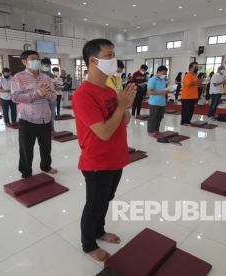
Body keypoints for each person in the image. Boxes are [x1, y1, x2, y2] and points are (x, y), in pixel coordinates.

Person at [73, 38, 136, 262]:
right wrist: (121, 106)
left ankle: (98, 231)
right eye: (109, 56)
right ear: (93, 60)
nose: (114, 60)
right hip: (97, 161)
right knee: (94, 205)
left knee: (105, 200)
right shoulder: (83, 94)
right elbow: (104, 132)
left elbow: (124, 122)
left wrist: (125, 104)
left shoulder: (109, 89)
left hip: (115, 158)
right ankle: (88, 244)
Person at [11, 50, 57, 178]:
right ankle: (26, 172)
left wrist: (47, 94)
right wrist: (37, 94)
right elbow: (15, 98)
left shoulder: (46, 77)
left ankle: (46, 166)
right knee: (26, 148)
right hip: (27, 119)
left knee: (46, 147)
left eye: (38, 59)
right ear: (24, 61)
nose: (36, 61)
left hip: (45, 118)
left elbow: (53, 96)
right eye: (33, 59)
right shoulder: (18, 77)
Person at [147, 66, 170, 136]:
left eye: (165, 74)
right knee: (153, 118)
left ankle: (156, 130)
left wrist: (168, 91)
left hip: (162, 102)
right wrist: (161, 92)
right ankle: (150, 131)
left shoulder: (162, 80)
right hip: (154, 103)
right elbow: (150, 92)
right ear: (158, 71)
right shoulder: (152, 80)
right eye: (163, 73)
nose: (164, 75)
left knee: (159, 118)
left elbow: (163, 90)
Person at [41, 58, 57, 131]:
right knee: (43, 115)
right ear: (41, 65)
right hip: (42, 98)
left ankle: (52, 129)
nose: (47, 67)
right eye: (46, 65)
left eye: (49, 65)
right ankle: (44, 130)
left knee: (52, 114)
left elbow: (54, 86)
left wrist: (56, 86)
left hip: (52, 97)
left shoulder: (51, 75)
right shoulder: (38, 74)